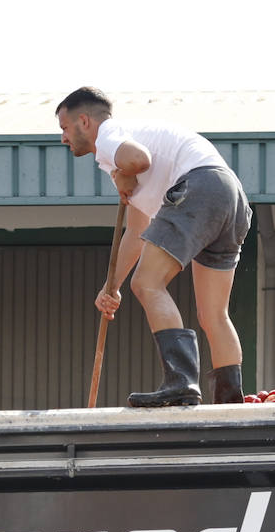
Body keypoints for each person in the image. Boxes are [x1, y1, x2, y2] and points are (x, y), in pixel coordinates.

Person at [55, 87, 252, 407]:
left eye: (64, 128)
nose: (63, 138)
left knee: (147, 282)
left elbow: (138, 160)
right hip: (228, 195)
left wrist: (123, 174)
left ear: (84, 121)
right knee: (214, 313)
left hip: (199, 187)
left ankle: (181, 383)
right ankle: (230, 403)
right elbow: (136, 230)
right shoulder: (130, 141)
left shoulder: (109, 137)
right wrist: (112, 286)